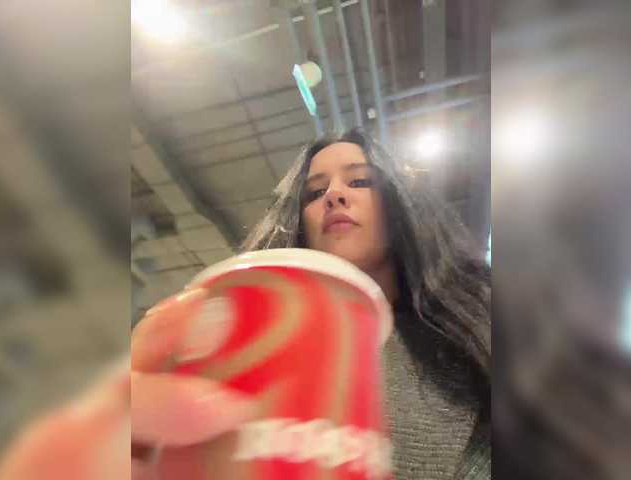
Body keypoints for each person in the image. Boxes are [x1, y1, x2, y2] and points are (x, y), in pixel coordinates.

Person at [134, 127, 491, 479]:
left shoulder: (476, 342)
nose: (334, 195)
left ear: (400, 202)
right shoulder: (250, 340)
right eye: (315, 192)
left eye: (360, 181)